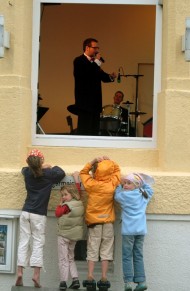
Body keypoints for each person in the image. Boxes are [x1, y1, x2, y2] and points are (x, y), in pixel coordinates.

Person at [15, 149, 65, 288]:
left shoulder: (27, 173)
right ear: (41, 161)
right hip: (38, 214)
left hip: (25, 212)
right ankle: (36, 275)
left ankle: (20, 272)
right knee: (38, 243)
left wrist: (38, 167)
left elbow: (23, 169)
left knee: (23, 241)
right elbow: (61, 172)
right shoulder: (48, 174)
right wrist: (48, 166)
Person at [79, 156, 121, 289]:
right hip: (108, 221)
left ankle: (90, 276)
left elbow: (83, 173)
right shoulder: (112, 184)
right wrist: (110, 161)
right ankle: (104, 277)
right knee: (106, 249)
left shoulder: (91, 184)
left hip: (94, 222)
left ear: (95, 171)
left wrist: (91, 161)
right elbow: (117, 170)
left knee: (92, 248)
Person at [114, 173, 154, 291]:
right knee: (138, 256)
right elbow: (149, 189)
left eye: (128, 183)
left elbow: (116, 195)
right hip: (141, 231)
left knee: (127, 256)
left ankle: (128, 283)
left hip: (128, 232)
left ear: (136, 185)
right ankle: (141, 282)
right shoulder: (144, 195)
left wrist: (119, 187)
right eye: (124, 183)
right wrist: (143, 182)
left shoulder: (123, 196)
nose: (125, 185)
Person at [72, 37, 116, 136]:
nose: (97, 50)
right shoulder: (79, 61)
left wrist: (111, 77)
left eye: (97, 48)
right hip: (84, 103)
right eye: (95, 47)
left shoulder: (94, 63)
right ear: (87, 48)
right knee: (84, 130)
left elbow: (102, 76)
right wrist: (96, 62)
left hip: (95, 103)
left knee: (94, 130)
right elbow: (86, 74)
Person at [55, 172, 84, 290]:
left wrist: (59, 204)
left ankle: (63, 282)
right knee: (71, 257)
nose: (63, 197)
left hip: (63, 236)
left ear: (72, 194)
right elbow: (77, 190)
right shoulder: (79, 202)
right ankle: (75, 279)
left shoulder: (66, 206)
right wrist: (76, 179)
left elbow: (57, 214)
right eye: (62, 195)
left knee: (63, 258)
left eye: (65, 195)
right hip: (74, 237)